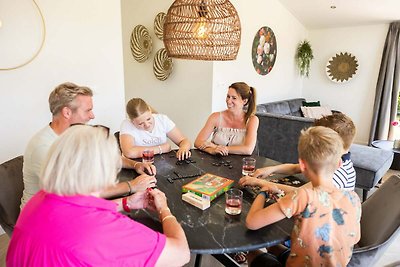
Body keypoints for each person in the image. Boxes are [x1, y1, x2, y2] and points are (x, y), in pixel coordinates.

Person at [7, 125, 190, 266]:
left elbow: (78, 212)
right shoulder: (104, 230)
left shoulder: (40, 199)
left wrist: (126, 203)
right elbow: (181, 254)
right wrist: (164, 209)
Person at [20, 82, 156, 208]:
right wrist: (130, 186)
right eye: (87, 110)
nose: (92, 116)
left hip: (70, 205)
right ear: (67, 112)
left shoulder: (78, 132)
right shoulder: (43, 148)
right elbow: (78, 194)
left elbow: (107, 157)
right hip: (44, 216)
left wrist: (135, 165)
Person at [243, 126, 361, 267]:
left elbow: (252, 222)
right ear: (339, 163)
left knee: (252, 251)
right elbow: (353, 238)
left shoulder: (304, 196)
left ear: (302, 165)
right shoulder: (354, 198)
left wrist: (263, 190)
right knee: (274, 248)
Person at [241, 113, 356, 192]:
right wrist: (270, 169)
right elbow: (296, 168)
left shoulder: (339, 174)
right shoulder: (333, 160)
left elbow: (300, 193)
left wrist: (260, 183)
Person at [194, 82, 259, 156]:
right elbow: (198, 142)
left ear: (244, 101)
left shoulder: (252, 120)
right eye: (228, 96)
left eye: (234, 98)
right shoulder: (215, 117)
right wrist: (211, 150)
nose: (228, 101)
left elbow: (248, 149)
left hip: (239, 164)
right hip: (215, 162)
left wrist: (216, 147)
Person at [120, 98, 192, 160]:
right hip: (138, 164)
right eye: (141, 123)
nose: (147, 125)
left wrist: (184, 148)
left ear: (150, 111)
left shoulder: (162, 120)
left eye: (148, 119)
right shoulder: (127, 124)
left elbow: (184, 140)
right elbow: (129, 152)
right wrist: (160, 149)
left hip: (163, 163)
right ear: (132, 121)